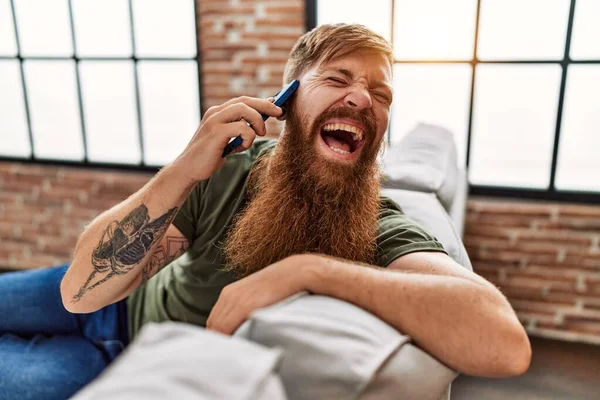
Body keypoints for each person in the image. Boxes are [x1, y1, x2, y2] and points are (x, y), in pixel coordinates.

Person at [0, 24, 531, 399]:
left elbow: (504, 346)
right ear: (289, 100)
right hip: (115, 298)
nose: (363, 99)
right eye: (337, 79)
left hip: (123, 355)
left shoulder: (378, 223)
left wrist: (309, 270)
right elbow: (80, 292)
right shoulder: (233, 168)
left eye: (380, 92)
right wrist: (184, 168)